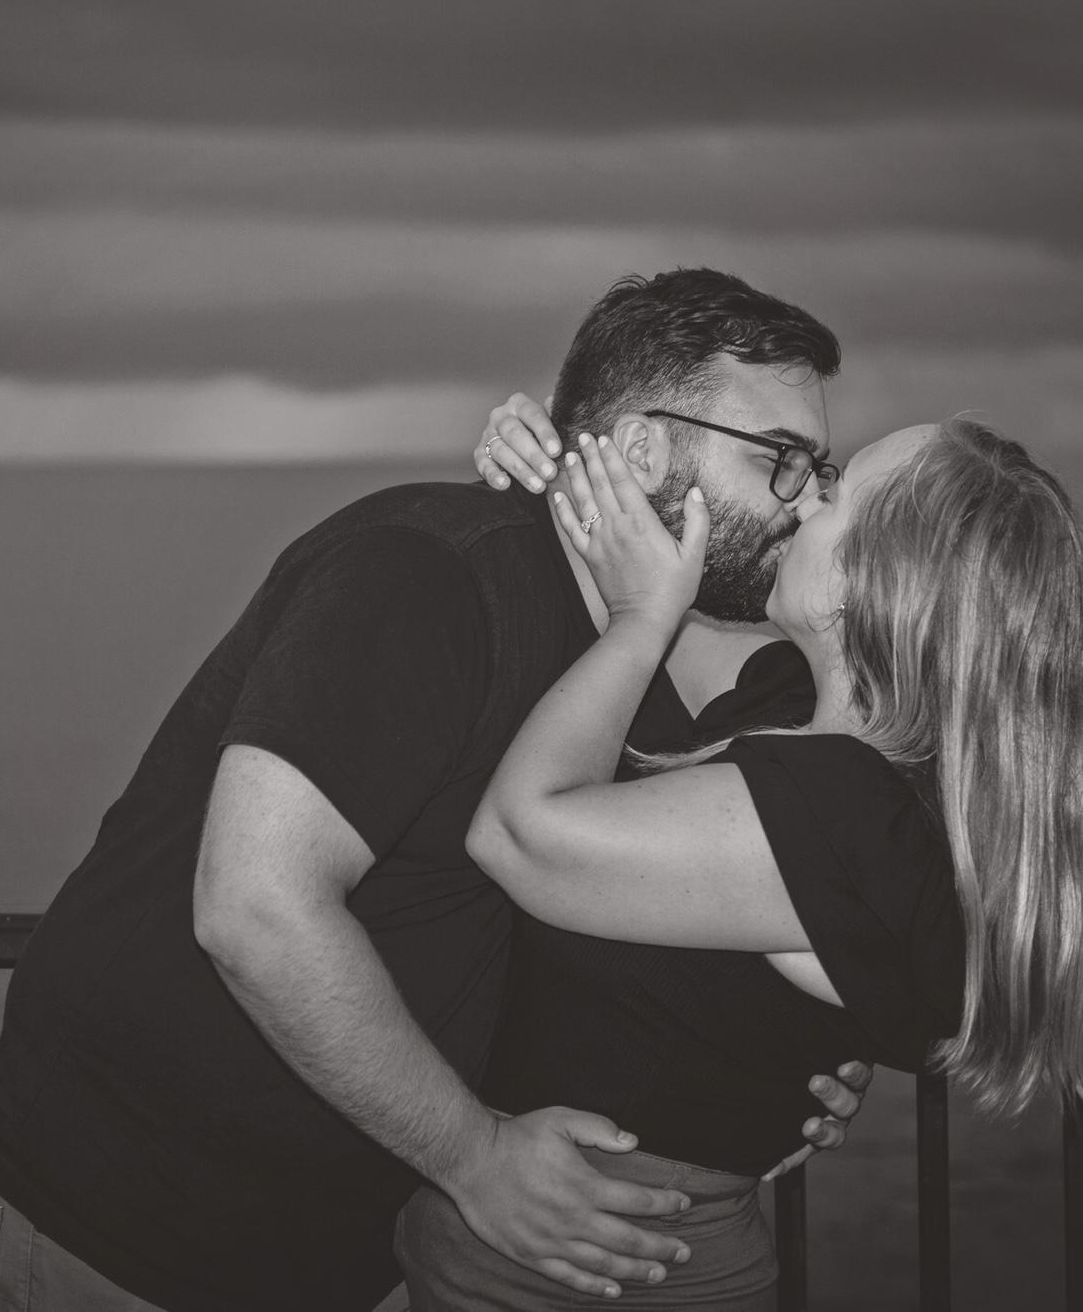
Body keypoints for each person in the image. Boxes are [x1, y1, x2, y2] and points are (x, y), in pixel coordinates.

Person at [0, 269, 865, 1312]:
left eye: (819, 467)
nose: (808, 499)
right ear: (644, 451)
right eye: (778, 459)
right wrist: (478, 1157)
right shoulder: (427, 575)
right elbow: (254, 906)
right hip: (121, 1240)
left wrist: (773, 1074)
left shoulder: (622, 663)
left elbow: (635, 930)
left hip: (334, 1255)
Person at [395, 415, 1083, 1309]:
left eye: (835, 495)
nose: (802, 505)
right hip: (599, 1246)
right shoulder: (822, 730)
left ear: (877, 579)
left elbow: (518, 835)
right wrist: (568, 460)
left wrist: (641, 620)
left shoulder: (843, 812)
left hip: (603, 1265)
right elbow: (642, 587)